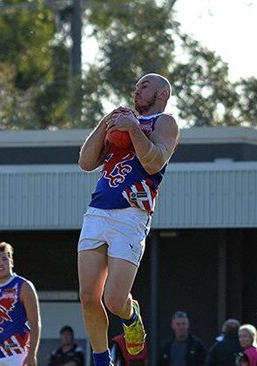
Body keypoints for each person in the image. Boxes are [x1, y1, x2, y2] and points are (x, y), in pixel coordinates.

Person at [77, 73, 179, 366]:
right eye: (135, 87)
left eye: (144, 86)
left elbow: (153, 161)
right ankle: (101, 361)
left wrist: (133, 129)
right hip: (98, 210)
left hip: (131, 215)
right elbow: (85, 162)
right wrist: (105, 122)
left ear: (162, 93)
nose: (137, 91)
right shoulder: (122, 121)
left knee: (113, 300)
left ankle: (132, 316)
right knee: (87, 296)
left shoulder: (165, 123)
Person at [0, 242, 41, 366]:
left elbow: (35, 324)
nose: (1, 263)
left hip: (17, 354)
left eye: (5, 259)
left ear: (11, 262)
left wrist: (32, 354)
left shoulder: (23, 285)